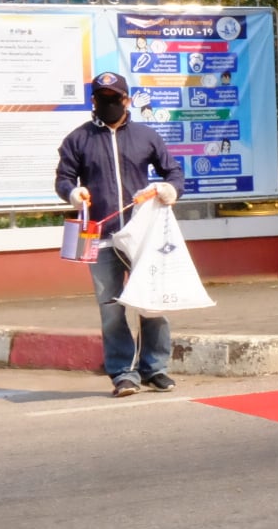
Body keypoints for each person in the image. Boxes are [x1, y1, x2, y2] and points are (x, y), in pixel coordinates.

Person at [54, 71, 185, 397]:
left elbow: (173, 172)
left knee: (152, 304)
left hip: (144, 235)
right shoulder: (78, 139)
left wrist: (169, 189)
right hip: (101, 236)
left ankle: (154, 368)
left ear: (127, 100)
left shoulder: (146, 136)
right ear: (93, 102)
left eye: (114, 98)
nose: (107, 103)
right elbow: (63, 179)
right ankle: (123, 373)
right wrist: (73, 193)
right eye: (101, 98)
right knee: (111, 307)